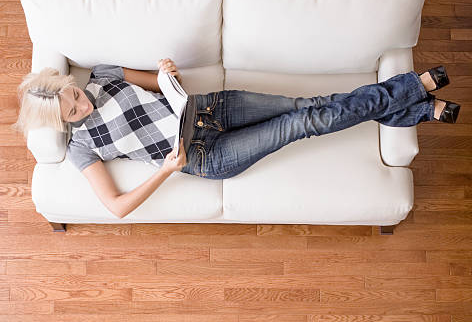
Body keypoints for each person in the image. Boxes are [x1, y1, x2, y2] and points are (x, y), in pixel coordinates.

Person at [12, 60, 460, 219]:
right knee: (308, 123)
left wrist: (167, 71)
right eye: (72, 112)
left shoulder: (103, 75)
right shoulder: (79, 146)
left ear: (67, 82)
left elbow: (165, 82)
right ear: (61, 123)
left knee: (312, 104)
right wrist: (168, 170)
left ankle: (419, 107)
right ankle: (415, 89)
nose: (80, 105)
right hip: (207, 155)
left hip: (211, 107)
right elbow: (116, 207)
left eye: (74, 95)